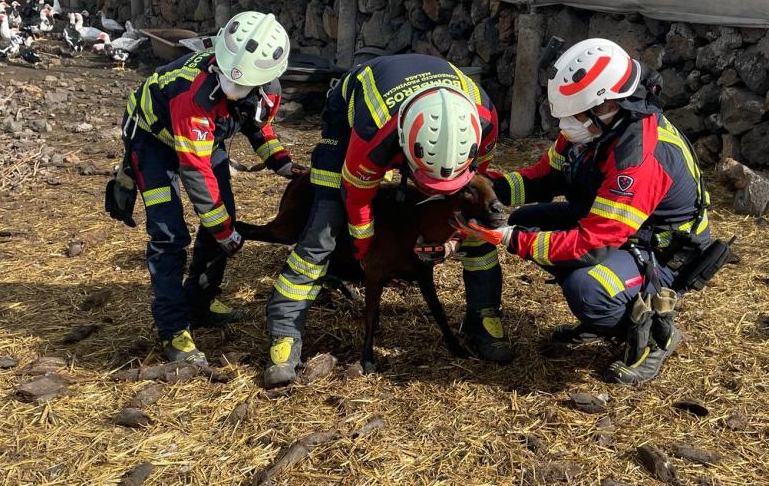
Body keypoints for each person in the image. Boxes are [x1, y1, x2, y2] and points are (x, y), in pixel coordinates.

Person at [453, 38, 711, 385]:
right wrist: (486, 188)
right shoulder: (593, 130)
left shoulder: (639, 159)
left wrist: (511, 240)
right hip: (617, 230)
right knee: (525, 219)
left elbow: (594, 245)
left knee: (588, 287)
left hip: (660, 254)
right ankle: (606, 317)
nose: (565, 126)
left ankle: (653, 332)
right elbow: (545, 177)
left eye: (574, 116)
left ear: (609, 106)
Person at [263, 53, 510, 387]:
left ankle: (484, 317)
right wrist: (366, 252)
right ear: (405, 151)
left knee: (478, 232)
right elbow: (359, 200)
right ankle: (286, 335)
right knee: (322, 229)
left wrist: (455, 240)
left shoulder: (485, 121)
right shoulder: (371, 136)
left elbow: (473, 191)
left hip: (424, 125)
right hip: (353, 115)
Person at [105, 11, 306, 366]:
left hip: (204, 139)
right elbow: (195, 170)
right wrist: (224, 231)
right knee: (169, 234)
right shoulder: (195, 94)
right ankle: (173, 328)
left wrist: (282, 162)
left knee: (221, 213)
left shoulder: (268, 89)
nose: (233, 88)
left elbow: (257, 125)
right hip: (153, 140)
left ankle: (200, 299)